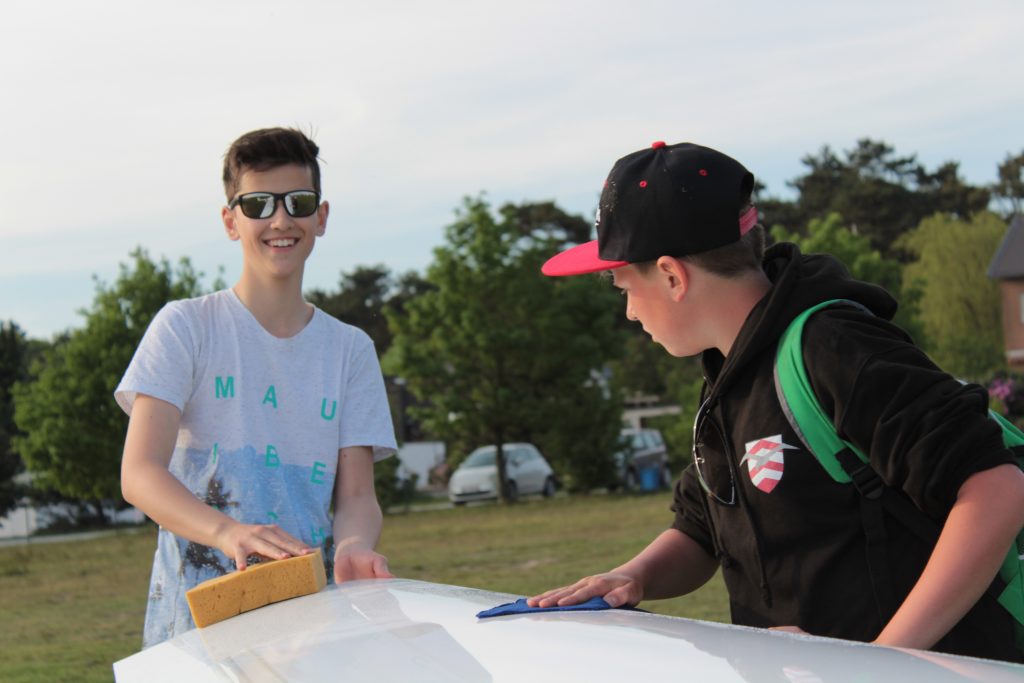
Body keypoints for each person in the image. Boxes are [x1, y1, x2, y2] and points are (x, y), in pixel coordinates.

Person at [531, 140, 1024, 661]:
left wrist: (882, 662)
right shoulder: (726, 378)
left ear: (674, 275)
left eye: (624, 286)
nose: (629, 312)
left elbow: (996, 488)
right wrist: (632, 576)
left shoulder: (833, 346)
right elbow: (702, 531)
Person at [117, 127, 397, 647]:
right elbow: (139, 475)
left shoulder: (351, 349)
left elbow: (357, 494)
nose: (280, 219)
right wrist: (230, 533)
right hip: (193, 638)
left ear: (322, 216)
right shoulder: (184, 327)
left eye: (299, 202)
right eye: (258, 204)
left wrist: (355, 545)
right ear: (230, 221)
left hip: (310, 631)